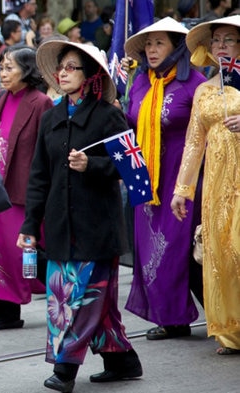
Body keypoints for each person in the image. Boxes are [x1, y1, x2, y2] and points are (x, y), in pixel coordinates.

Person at [18, 41, 142, 392]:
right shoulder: (50, 118)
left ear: (90, 76)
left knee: (84, 298)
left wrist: (94, 165)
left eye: (72, 67)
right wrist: (29, 226)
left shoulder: (107, 116)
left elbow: (130, 166)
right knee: (68, 297)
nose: (63, 73)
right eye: (62, 67)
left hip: (97, 227)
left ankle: (65, 368)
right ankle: (123, 361)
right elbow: (39, 176)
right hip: (59, 226)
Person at [121, 17, 206, 341]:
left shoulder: (195, 83)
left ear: (176, 47)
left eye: (159, 43)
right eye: (148, 44)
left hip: (183, 175)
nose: (151, 50)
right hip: (147, 179)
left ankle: (218, 316)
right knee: (150, 249)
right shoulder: (140, 82)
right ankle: (171, 318)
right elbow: (129, 124)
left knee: (178, 248)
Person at [172, 15, 240, 356]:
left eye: (229, 40)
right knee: (221, 254)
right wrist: (182, 190)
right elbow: (194, 143)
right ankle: (230, 329)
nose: (221, 46)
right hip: (216, 182)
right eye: (216, 41)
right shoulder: (204, 89)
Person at [0, 46, 51, 332]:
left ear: (28, 70)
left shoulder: (40, 102)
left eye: (10, 67)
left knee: (24, 251)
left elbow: (44, 149)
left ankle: (68, 290)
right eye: (2, 67)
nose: (4, 72)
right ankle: (4, 314)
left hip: (23, 189)